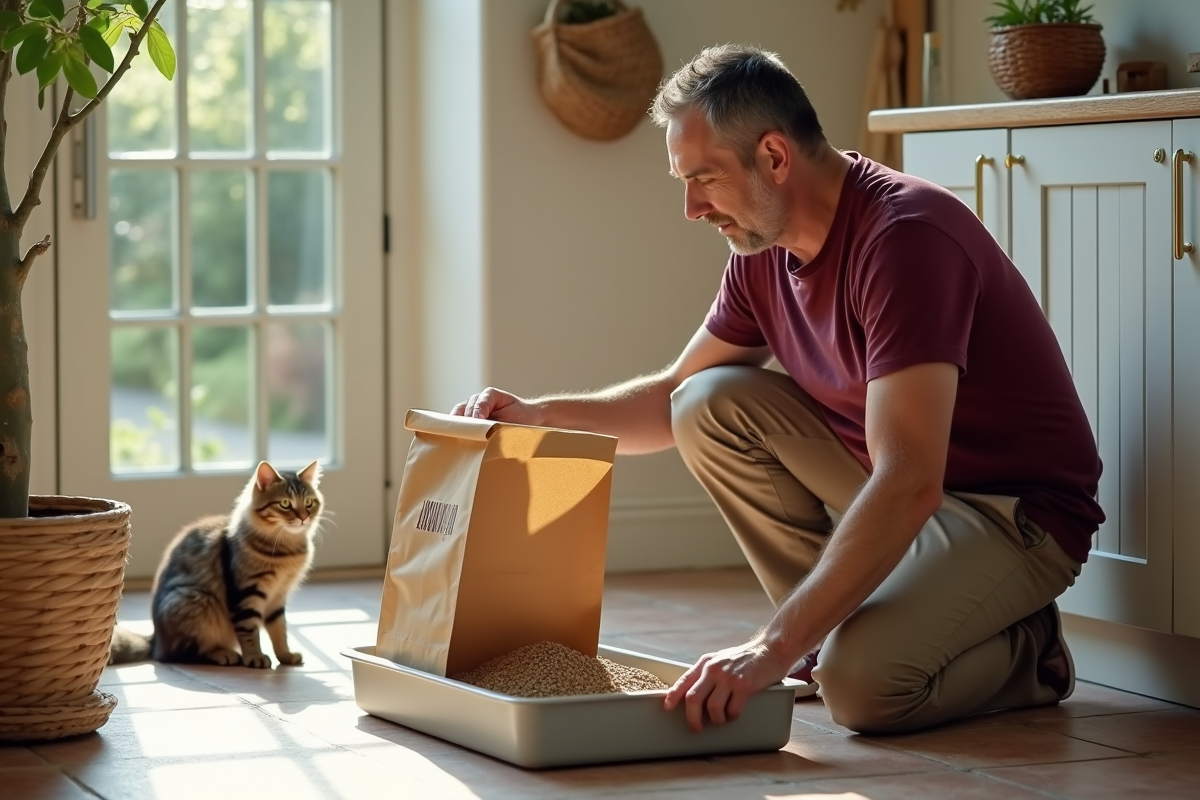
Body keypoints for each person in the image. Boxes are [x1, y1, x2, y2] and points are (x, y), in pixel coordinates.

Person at [451, 44, 1104, 735]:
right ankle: (826, 637)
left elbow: (912, 478)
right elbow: (674, 393)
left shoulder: (905, 239)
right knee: (706, 402)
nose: (690, 208)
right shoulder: (764, 250)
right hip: (904, 490)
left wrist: (767, 648)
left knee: (863, 691)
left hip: (1013, 516)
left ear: (774, 156)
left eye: (703, 178)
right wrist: (533, 416)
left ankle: (1029, 652)